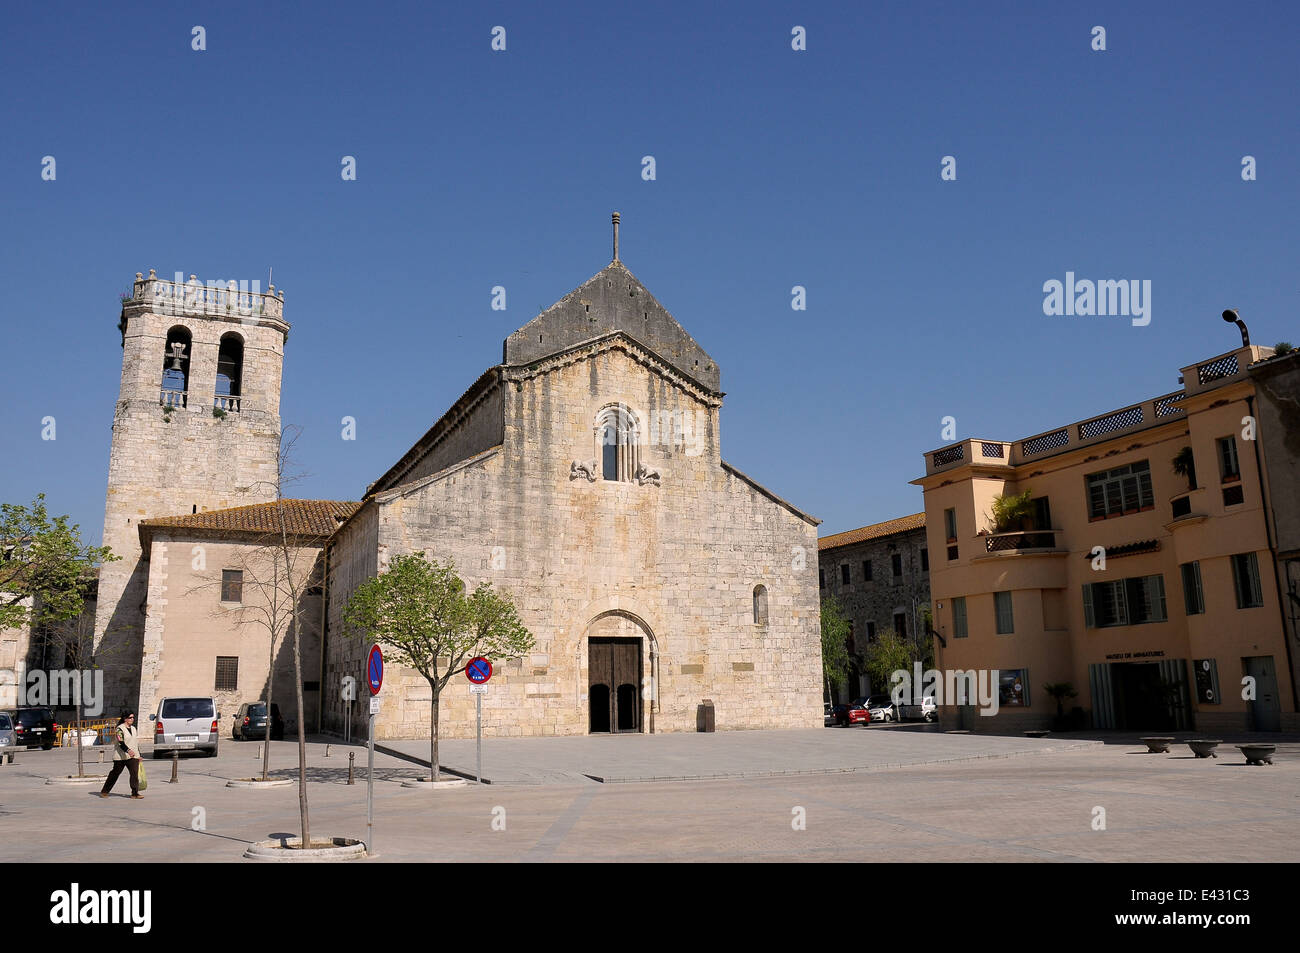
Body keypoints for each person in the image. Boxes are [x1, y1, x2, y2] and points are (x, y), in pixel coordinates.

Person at [99, 712, 142, 799]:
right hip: (120, 756)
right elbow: (120, 742)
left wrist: (138, 755)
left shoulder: (133, 728)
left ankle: (135, 793)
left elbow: (135, 743)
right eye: (130, 717)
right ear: (125, 719)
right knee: (115, 773)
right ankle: (105, 791)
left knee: (134, 774)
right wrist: (128, 750)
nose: (132, 719)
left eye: (133, 717)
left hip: (133, 756)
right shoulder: (119, 729)